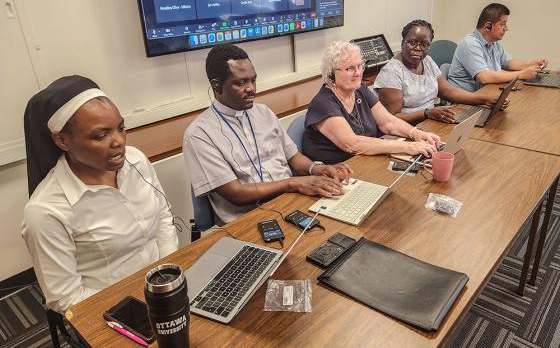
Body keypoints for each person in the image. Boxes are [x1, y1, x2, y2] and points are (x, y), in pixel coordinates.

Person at [22, 75, 178, 312]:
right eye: (101, 135)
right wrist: (137, 307)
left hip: (163, 287)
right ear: (62, 140)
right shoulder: (45, 211)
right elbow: (66, 298)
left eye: (121, 128)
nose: (119, 142)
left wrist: (169, 274)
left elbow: (164, 215)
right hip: (112, 311)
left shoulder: (135, 159)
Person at [183, 44, 352, 224]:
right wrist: (293, 183)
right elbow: (236, 194)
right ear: (216, 85)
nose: (251, 89)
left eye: (253, 80)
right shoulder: (199, 135)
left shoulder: (263, 112)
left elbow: (294, 158)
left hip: (291, 204)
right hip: (246, 220)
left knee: (346, 222)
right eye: (240, 82)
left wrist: (318, 169)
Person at [301, 41, 441, 164]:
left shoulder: (360, 90)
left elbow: (388, 122)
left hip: (365, 160)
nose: (357, 73)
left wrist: (415, 133)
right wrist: (409, 147)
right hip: (338, 169)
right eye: (350, 69)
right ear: (331, 74)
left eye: (359, 66)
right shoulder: (323, 104)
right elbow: (352, 144)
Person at [374, 20, 509, 125]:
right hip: (405, 130)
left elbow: (447, 91)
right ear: (403, 42)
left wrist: (485, 100)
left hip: (430, 122)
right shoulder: (391, 73)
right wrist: (426, 113)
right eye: (412, 42)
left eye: (424, 44)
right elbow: (391, 119)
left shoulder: (427, 61)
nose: (418, 48)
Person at [448, 3, 548, 92]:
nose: (506, 28)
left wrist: (529, 65)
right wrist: (521, 74)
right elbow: (484, 77)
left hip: (484, 95)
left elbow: (508, 63)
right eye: (502, 24)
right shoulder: (470, 44)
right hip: (462, 104)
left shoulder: (493, 42)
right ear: (488, 26)